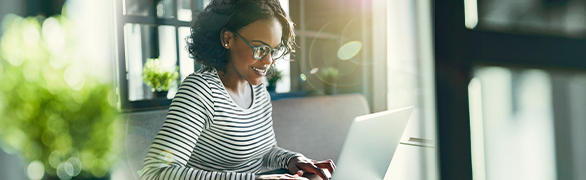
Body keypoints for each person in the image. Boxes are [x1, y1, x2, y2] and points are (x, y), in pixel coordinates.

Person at [141, 0, 336, 179]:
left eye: (274, 50)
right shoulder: (200, 91)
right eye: (260, 48)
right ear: (228, 39)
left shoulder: (258, 90)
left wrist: (293, 159)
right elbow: (156, 171)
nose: (268, 61)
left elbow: (264, 151)